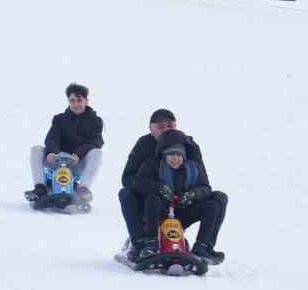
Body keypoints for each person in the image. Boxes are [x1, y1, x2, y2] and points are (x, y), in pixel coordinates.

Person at [128, 130, 227, 264]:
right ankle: (150, 244)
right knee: (152, 198)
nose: (175, 158)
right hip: (160, 213)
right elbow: (139, 183)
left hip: (183, 212)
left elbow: (206, 188)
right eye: (171, 154)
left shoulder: (194, 168)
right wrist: (159, 188)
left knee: (213, 204)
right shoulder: (152, 165)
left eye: (179, 154)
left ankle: (202, 246)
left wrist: (193, 194)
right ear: (164, 154)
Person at [119, 109, 207, 241]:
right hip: (151, 201)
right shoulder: (144, 145)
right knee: (126, 193)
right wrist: (156, 188)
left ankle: (203, 246)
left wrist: (192, 194)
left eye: (170, 126)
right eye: (160, 127)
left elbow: (203, 181)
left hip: (182, 203)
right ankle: (141, 241)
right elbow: (127, 179)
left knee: (218, 198)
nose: (166, 130)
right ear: (151, 129)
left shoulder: (189, 145)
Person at [26, 83, 106, 205]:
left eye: (79, 100)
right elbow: (52, 138)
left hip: (78, 161)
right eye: (72, 101)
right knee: (36, 149)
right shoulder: (60, 119)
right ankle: (40, 188)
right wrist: (52, 152)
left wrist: (78, 154)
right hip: (58, 159)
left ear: (86, 101)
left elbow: (96, 141)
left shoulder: (96, 121)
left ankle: (82, 191)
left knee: (97, 152)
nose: (76, 104)